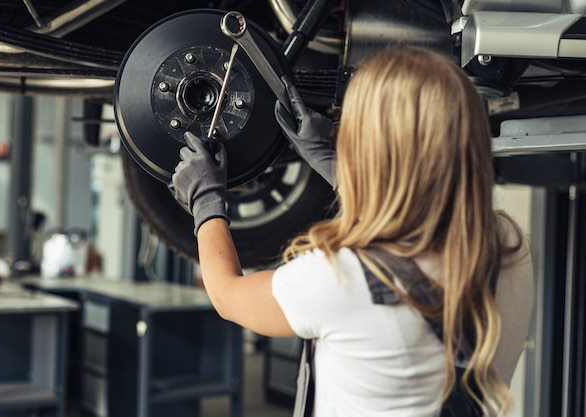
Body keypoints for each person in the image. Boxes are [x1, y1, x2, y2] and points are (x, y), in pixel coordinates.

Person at [171, 46, 534, 416]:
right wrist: (329, 163)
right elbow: (416, 215)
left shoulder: (344, 278)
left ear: (373, 146)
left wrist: (206, 202)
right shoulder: (506, 244)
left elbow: (229, 296)